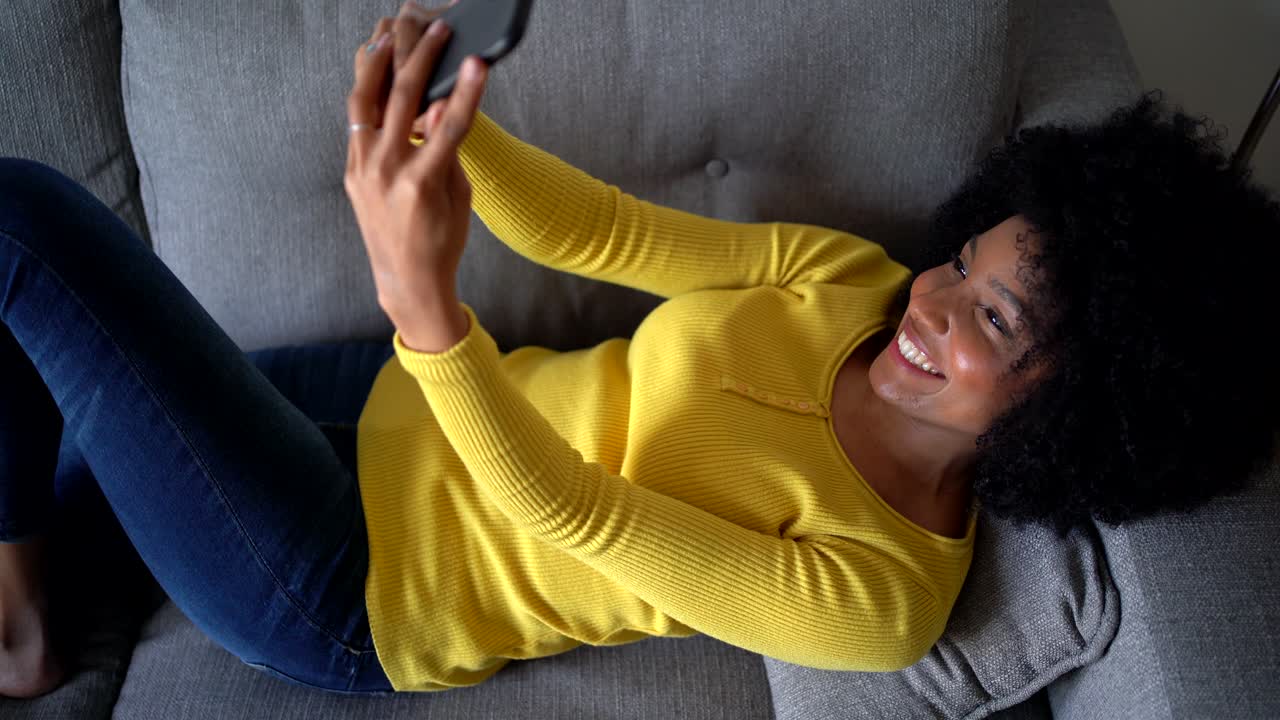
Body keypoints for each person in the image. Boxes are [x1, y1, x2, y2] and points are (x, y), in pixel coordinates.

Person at [2, 0, 1278, 701]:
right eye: (961, 266)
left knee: (23, 229)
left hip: (360, 581)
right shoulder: (855, 282)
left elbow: (585, 524)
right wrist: (445, 121)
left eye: (993, 321)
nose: (930, 308)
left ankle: (18, 623)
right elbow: (609, 235)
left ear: (1085, 409)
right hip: (380, 401)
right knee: (65, 468)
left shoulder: (881, 600)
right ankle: (32, 618)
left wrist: (426, 302)